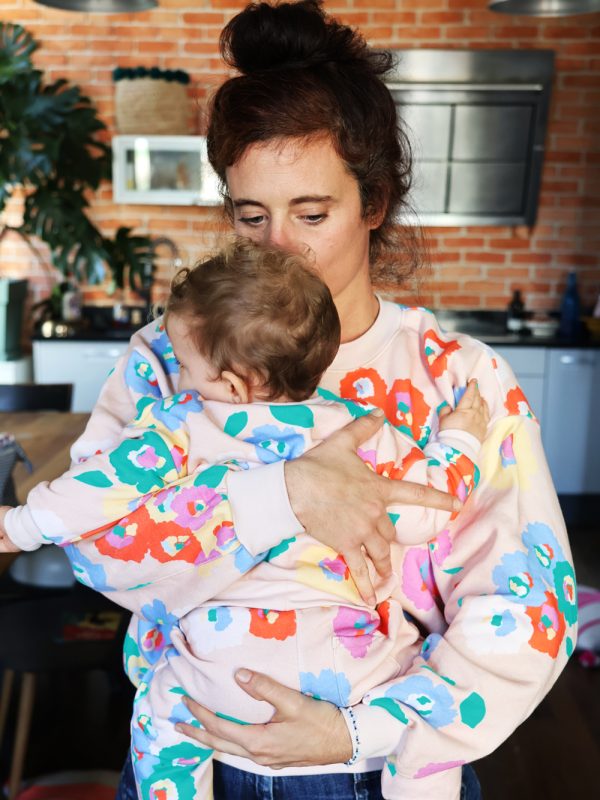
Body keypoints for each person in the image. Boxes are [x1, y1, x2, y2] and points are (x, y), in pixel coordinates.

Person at [5, 2, 577, 798]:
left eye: (312, 213)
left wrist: (359, 732)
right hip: (189, 756)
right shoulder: (171, 358)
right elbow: (98, 551)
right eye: (252, 216)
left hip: (373, 768)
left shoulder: (458, 381)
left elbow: (526, 609)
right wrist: (282, 496)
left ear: (373, 203)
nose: (279, 248)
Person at [0, 238, 489, 800]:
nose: (180, 376)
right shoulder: (362, 430)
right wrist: (460, 440)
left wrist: (19, 525)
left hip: (220, 670)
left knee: (164, 711)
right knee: (419, 717)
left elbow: (95, 493)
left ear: (232, 385)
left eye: (185, 364)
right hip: (349, 663)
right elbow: (427, 509)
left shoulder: (183, 425)